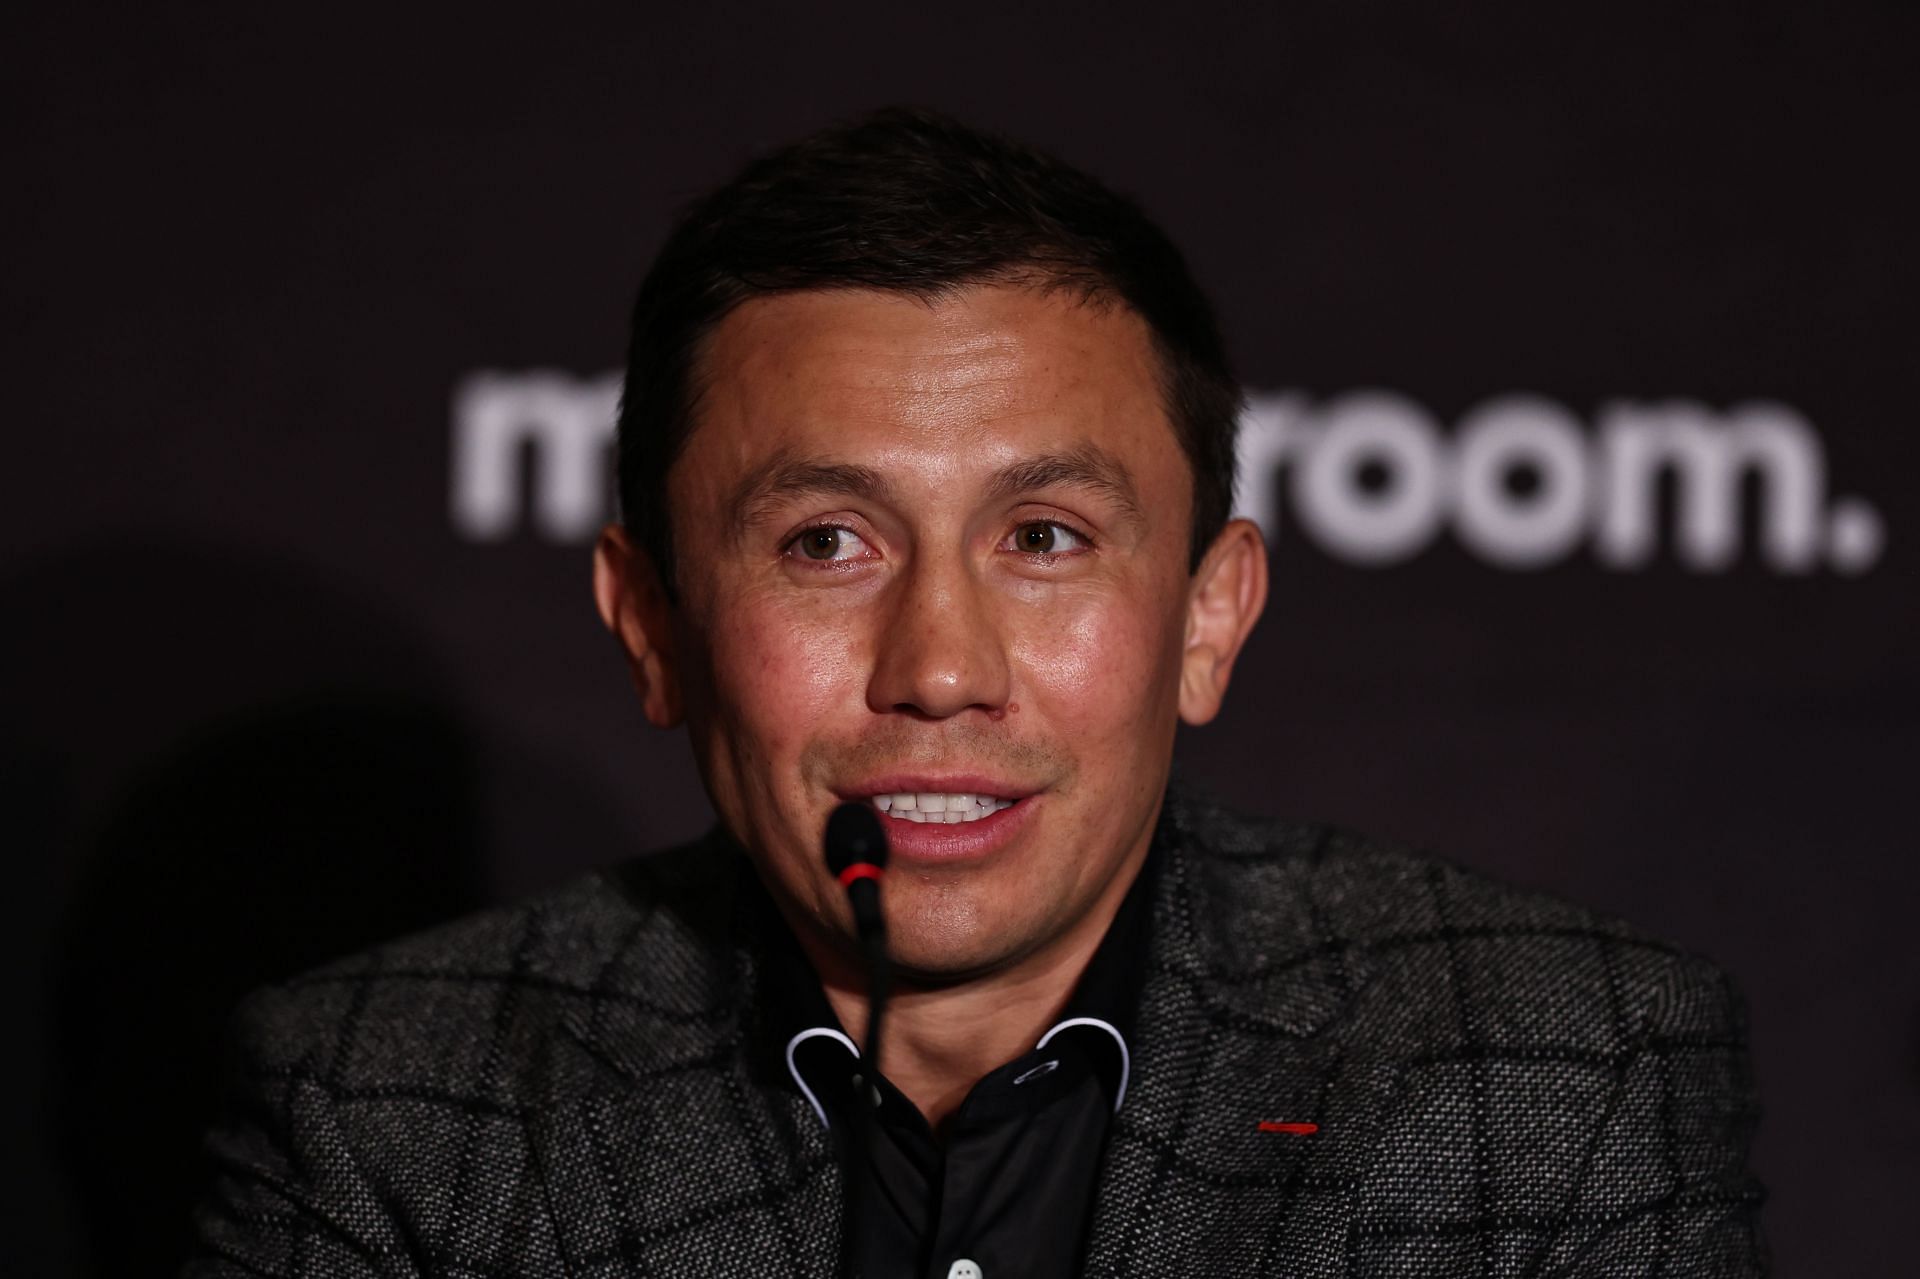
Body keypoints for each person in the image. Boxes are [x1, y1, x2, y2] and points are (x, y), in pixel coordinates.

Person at [188, 108, 1764, 1278]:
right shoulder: (388, 1111)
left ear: (1210, 618)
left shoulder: (1556, 1076)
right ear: (655, 624)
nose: (939, 668)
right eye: (826, 542)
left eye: (1045, 538)